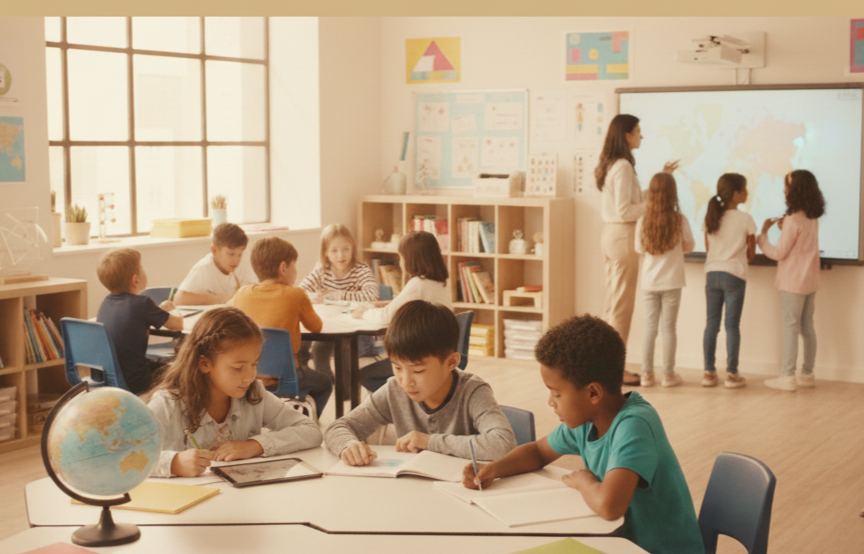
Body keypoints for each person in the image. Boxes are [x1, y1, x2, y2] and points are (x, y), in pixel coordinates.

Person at [461, 315, 703, 554]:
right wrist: (493, 469)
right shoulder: (586, 422)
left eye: (556, 394)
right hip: (619, 542)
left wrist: (584, 482)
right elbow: (537, 452)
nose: (550, 402)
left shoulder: (635, 426)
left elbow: (609, 506)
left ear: (593, 393)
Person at [324, 300, 516, 464]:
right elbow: (337, 428)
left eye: (418, 370)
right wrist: (349, 446)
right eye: (397, 368)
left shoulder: (473, 392)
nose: (406, 382)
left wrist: (429, 441)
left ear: (451, 362)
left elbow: (502, 444)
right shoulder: (394, 390)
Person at [147, 306, 323, 478]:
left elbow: (310, 430)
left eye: (254, 364)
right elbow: (122, 457)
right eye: (238, 368)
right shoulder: (168, 403)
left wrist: (255, 445)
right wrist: (173, 463)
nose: (249, 377)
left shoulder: (254, 395)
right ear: (205, 364)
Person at [595, 114, 678, 386]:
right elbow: (625, 210)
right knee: (621, 308)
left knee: (614, 305)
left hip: (614, 235)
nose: (641, 136)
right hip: (621, 236)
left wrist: (660, 180)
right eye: (638, 131)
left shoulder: (616, 165)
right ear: (627, 135)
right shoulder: (622, 166)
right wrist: (656, 202)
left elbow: (630, 201)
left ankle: (608, 368)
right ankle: (613, 372)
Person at [230, 237, 333, 418]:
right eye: (294, 266)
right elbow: (316, 327)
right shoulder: (295, 294)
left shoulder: (242, 294)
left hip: (248, 377)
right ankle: (304, 422)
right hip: (287, 378)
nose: (296, 271)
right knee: (325, 383)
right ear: (283, 267)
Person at [352, 230, 453, 391]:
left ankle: (403, 405)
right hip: (439, 352)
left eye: (401, 257)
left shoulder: (418, 283)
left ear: (410, 259)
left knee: (364, 375)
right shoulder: (439, 283)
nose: (400, 262)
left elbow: (385, 317)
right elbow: (409, 305)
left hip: (421, 357)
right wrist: (389, 303)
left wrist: (363, 312)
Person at [758, 169, 825, 391]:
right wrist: (783, 227)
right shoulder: (811, 217)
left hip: (792, 283)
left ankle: (787, 377)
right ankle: (807, 373)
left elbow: (779, 253)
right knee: (807, 326)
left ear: (794, 190)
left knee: (790, 327)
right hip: (810, 281)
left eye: (787, 186)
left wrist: (762, 238)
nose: (784, 190)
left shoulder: (792, 219)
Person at [95, 248, 183, 395]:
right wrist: (174, 309)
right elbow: (178, 325)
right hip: (137, 380)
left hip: (111, 378)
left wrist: (160, 311)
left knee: (165, 365)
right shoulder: (143, 303)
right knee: (183, 371)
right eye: (142, 268)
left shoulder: (106, 302)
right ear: (135, 279)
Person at [634, 173, 695, 387]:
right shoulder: (680, 220)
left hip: (650, 282)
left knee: (650, 327)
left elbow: (638, 248)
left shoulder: (643, 220)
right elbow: (689, 246)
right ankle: (668, 375)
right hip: (672, 282)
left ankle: (647, 375)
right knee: (669, 328)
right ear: (673, 193)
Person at [298, 224, 380, 379]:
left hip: (347, 326)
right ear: (326, 252)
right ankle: (321, 386)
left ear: (353, 249)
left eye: (346, 249)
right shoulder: (322, 270)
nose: (340, 255)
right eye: (334, 250)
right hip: (325, 323)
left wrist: (337, 295)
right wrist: (313, 297)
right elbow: (298, 293)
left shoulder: (361, 270)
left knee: (321, 350)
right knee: (301, 344)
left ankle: (344, 391)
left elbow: (372, 295)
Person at [702, 173, 756, 389]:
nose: (747, 192)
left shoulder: (711, 218)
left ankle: (708, 373)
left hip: (711, 273)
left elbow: (708, 249)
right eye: (744, 189)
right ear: (736, 194)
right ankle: (732, 374)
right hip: (735, 274)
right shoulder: (746, 219)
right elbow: (751, 252)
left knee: (711, 325)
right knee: (732, 326)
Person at [174, 223, 258, 305]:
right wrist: (220, 298)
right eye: (231, 254)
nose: (236, 260)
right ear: (214, 250)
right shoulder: (204, 268)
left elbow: (255, 290)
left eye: (240, 254)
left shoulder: (241, 266)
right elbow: (179, 299)